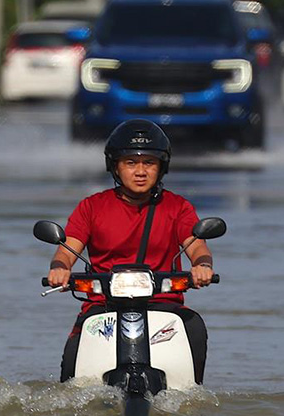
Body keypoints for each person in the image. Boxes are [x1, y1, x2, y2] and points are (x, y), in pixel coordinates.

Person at [48, 119, 215, 384]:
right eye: (131, 163)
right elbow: (68, 249)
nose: (140, 171)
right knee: (72, 363)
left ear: (162, 167)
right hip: (103, 307)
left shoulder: (177, 207)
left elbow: (196, 245)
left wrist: (202, 265)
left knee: (193, 327)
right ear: (115, 166)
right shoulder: (92, 207)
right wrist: (60, 269)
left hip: (163, 305)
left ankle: (189, 399)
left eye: (149, 163)